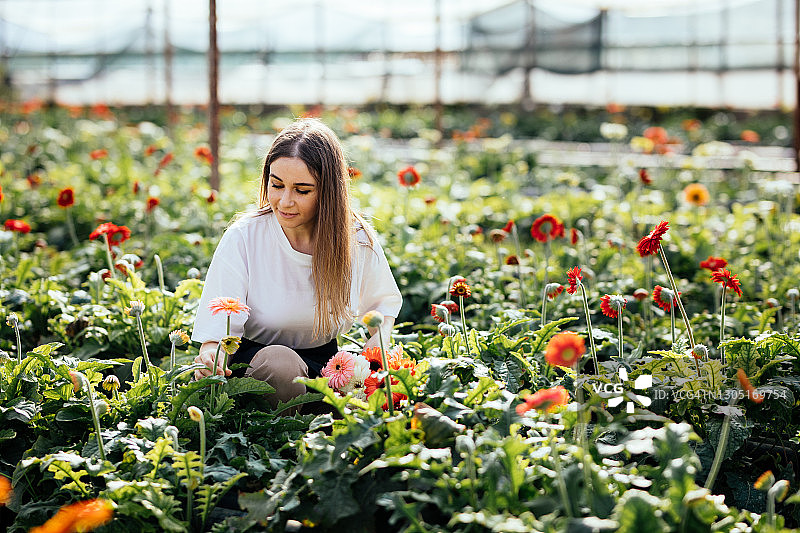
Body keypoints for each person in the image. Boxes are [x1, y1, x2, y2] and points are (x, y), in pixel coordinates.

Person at [191, 118, 402, 408]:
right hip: (256, 367)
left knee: (384, 390)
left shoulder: (355, 238)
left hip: (328, 368)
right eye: (276, 185)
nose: (285, 202)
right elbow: (217, 329)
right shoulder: (245, 236)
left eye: (302, 191)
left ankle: (322, 432)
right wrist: (211, 354)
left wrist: (378, 343)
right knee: (281, 364)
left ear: (328, 191)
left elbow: (382, 304)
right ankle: (280, 443)